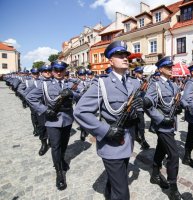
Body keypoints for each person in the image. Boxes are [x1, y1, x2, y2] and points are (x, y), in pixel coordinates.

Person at [74, 41, 143, 200]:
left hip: (127, 140)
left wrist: (142, 104)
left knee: (117, 180)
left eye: (126, 55)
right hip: (111, 143)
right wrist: (105, 131)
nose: (125, 58)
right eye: (120, 55)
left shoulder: (133, 82)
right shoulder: (102, 83)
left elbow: (133, 109)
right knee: (122, 194)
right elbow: (80, 111)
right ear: (110, 61)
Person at [26, 61, 79, 190]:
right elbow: (30, 97)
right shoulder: (45, 84)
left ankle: (61, 160)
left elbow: (81, 95)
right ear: (53, 70)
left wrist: (72, 93)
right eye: (56, 70)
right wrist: (44, 110)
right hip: (52, 120)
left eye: (61, 70)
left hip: (67, 119)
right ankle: (59, 172)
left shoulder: (71, 83)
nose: (59, 72)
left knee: (64, 144)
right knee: (55, 146)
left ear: (65, 70)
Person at [143, 56, 182, 200]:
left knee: (161, 148)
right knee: (174, 155)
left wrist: (180, 106)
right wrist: (160, 118)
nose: (171, 69)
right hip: (162, 126)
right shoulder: (155, 85)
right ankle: (173, 188)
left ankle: (154, 174)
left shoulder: (173, 85)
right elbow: (148, 105)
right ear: (160, 69)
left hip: (171, 123)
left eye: (171, 67)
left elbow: (176, 102)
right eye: (168, 67)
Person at [132, 66, 150, 150]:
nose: (141, 74)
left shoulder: (143, 81)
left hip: (141, 106)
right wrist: (141, 90)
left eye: (142, 73)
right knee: (141, 124)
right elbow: (132, 94)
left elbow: (145, 93)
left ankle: (136, 136)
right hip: (136, 106)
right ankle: (143, 140)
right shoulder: (132, 81)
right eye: (139, 73)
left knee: (137, 123)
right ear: (135, 73)